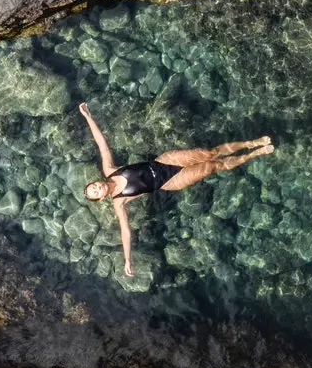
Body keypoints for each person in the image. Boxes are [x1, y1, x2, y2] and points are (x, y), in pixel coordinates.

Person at [78, 102, 274, 277]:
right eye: (96, 192)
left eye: (93, 186)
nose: (97, 187)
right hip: (171, 182)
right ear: (102, 198)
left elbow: (101, 143)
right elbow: (125, 232)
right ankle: (253, 155)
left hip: (164, 162)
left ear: (97, 180)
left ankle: (251, 143)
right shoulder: (119, 202)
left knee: (208, 153)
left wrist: (88, 117)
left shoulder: (109, 170)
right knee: (214, 166)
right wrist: (128, 259)